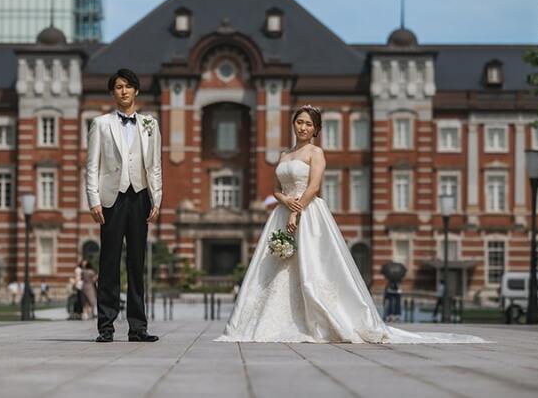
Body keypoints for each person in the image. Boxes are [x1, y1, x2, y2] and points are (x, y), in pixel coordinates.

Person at [216, 105, 485, 344]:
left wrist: (296, 212)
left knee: (312, 266)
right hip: (282, 211)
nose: (303, 127)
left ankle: (319, 319)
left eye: (309, 124)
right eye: (300, 122)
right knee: (277, 267)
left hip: (308, 213)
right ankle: (274, 319)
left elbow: (314, 186)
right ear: (293, 124)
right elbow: (275, 188)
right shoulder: (284, 155)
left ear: (316, 129)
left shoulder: (316, 152)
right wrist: (284, 200)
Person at [85, 68, 162, 343]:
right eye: (118, 87)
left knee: (136, 263)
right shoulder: (101, 124)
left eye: (128, 86)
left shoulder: (150, 124)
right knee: (109, 263)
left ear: (136, 91)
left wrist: (156, 199)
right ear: (112, 92)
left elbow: (155, 165)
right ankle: (106, 327)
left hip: (140, 197)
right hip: (111, 199)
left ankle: (138, 328)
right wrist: (93, 200)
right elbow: (92, 165)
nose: (124, 91)